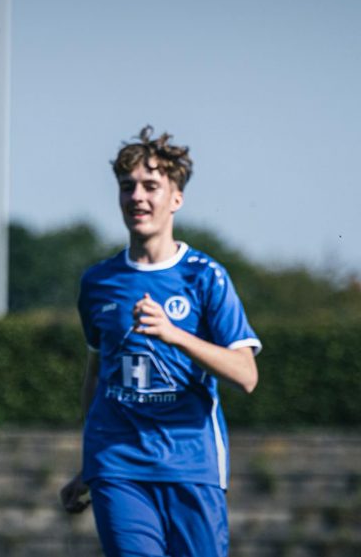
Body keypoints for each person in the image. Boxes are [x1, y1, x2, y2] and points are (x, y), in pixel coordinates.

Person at [60, 127, 261, 557]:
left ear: (176, 198)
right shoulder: (97, 282)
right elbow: (95, 377)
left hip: (192, 466)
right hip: (118, 466)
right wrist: (88, 464)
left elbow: (246, 374)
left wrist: (175, 335)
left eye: (151, 186)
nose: (137, 197)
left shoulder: (206, 276)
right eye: (127, 186)